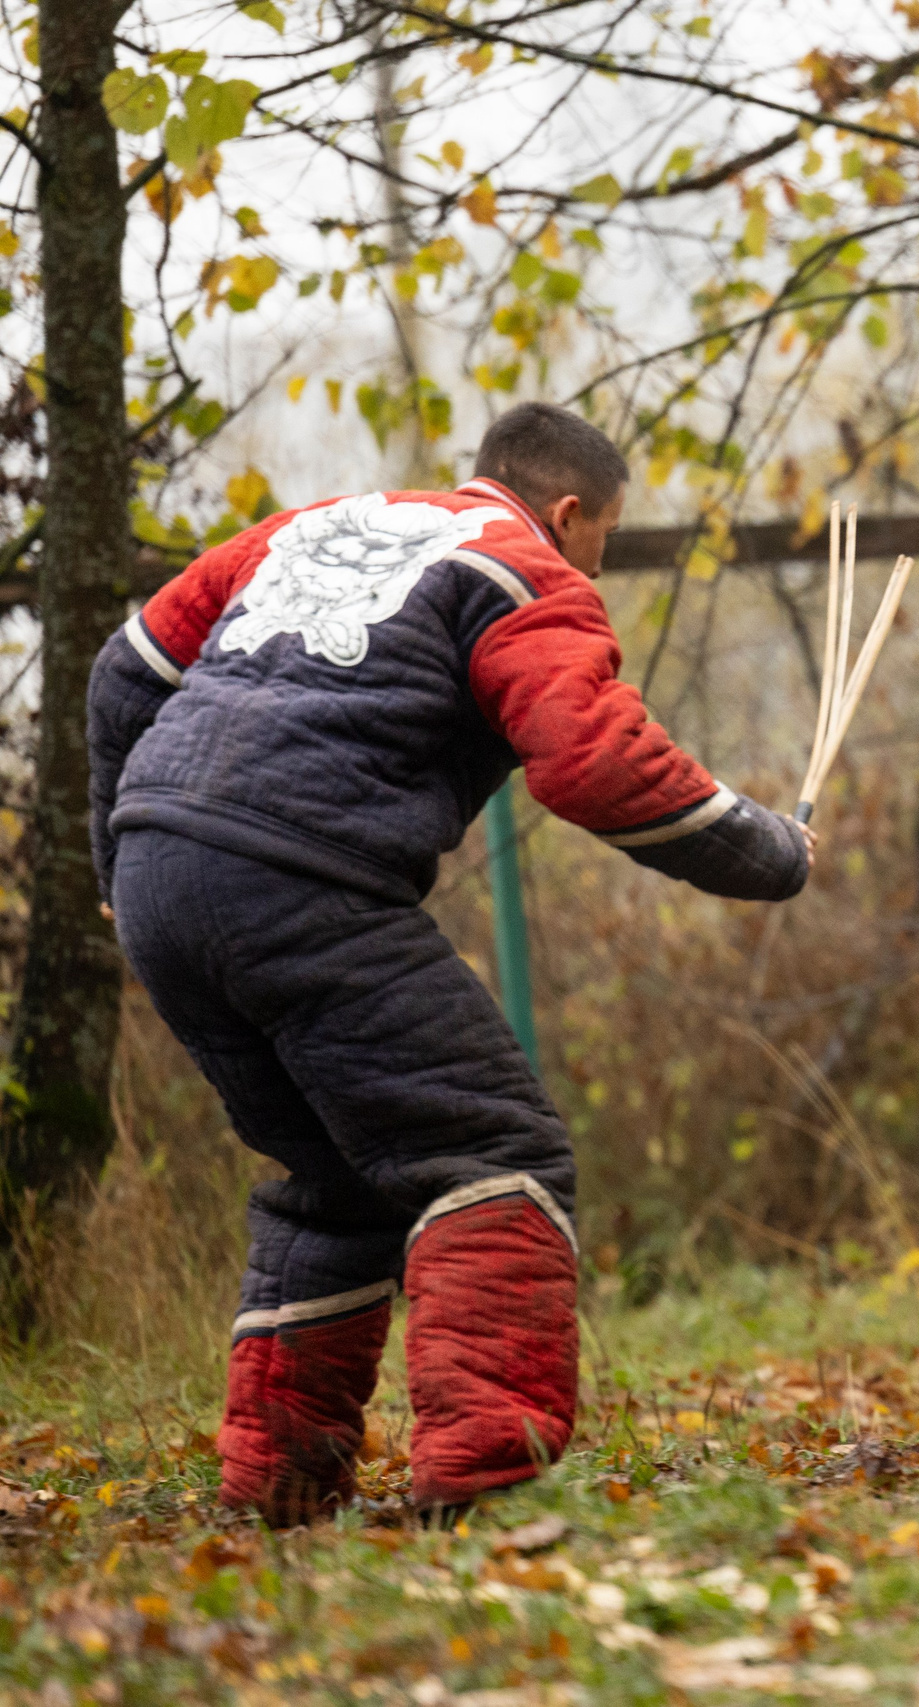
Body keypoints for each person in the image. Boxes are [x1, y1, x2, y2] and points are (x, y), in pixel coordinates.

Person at [86, 402, 810, 1524]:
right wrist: (771, 851)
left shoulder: (308, 527)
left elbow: (120, 680)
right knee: (487, 1151)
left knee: (337, 1186)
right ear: (569, 514)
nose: (597, 567)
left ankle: (277, 1493)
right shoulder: (525, 570)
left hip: (158, 877)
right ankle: (486, 1488)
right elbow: (593, 763)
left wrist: (116, 863)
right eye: (606, 543)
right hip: (301, 878)